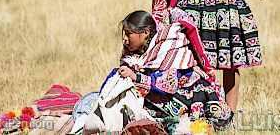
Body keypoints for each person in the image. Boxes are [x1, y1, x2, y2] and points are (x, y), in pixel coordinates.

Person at [100, 9, 233, 133]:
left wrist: (136, 77)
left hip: (187, 96)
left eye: (129, 34)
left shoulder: (169, 47)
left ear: (145, 33)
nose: (125, 39)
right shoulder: (133, 55)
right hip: (160, 99)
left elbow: (168, 85)